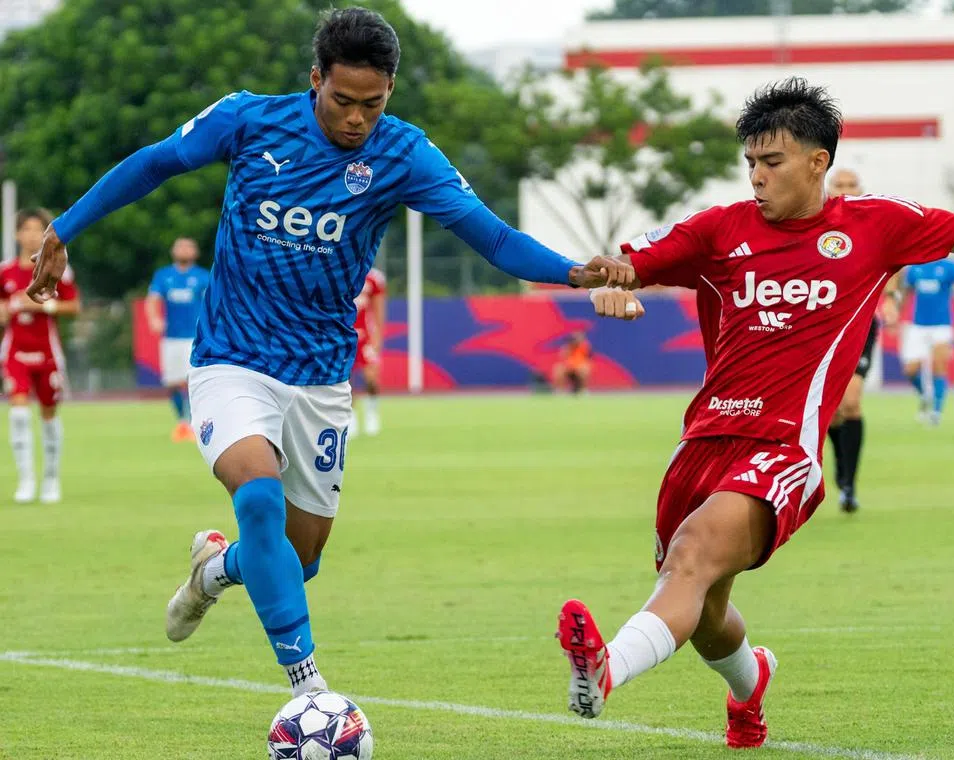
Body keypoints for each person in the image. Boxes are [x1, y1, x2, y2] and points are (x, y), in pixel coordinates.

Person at [29, 7, 631, 697]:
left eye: (371, 105)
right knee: (257, 501)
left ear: (390, 94)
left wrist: (576, 272)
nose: (356, 120)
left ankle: (214, 572)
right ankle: (311, 696)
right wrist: (64, 228)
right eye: (342, 101)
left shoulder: (403, 154)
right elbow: (157, 162)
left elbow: (493, 239)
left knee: (295, 561)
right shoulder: (249, 121)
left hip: (318, 379)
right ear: (315, 79)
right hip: (232, 359)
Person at [560, 76, 954, 748]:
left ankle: (603, 674)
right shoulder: (718, 230)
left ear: (818, 162)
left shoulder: (875, 224)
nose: (756, 177)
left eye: (771, 163)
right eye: (749, 163)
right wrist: (610, 285)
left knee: (692, 556)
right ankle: (752, 687)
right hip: (703, 441)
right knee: (705, 606)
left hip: (784, 448)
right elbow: (628, 264)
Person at [822, 168, 901, 512]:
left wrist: (892, 302)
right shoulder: (813, 221)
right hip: (820, 327)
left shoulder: (874, 224)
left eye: (850, 184)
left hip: (861, 325)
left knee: (851, 402)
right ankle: (840, 469)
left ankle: (849, 485)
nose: (845, 189)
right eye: (839, 184)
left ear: (861, 189)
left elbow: (895, 266)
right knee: (832, 411)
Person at [1, 208, 81, 504]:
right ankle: (25, 481)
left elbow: (74, 307)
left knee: (48, 416)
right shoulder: (5, 271)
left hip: (47, 352)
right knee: (19, 413)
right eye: (27, 229)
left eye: (38, 229)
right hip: (15, 352)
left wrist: (41, 306)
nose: (32, 235)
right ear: (17, 234)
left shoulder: (56, 267)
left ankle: (50, 479)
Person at [146, 237, 210, 442]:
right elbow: (152, 299)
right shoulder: (164, 275)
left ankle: (192, 422)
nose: (183, 249)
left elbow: (212, 302)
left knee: (191, 380)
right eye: (180, 246)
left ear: (195, 251)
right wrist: (154, 319)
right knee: (172, 382)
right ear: (173, 251)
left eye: (188, 246)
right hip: (171, 337)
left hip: (194, 337)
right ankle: (181, 422)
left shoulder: (202, 276)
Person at [900, 257, 954, 425]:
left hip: (942, 326)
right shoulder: (914, 267)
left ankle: (936, 412)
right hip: (918, 326)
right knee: (910, 370)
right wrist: (897, 314)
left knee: (939, 366)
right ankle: (925, 395)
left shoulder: (951, 267)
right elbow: (906, 293)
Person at [349, 266, 386, 437]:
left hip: (366, 336)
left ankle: (372, 413)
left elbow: (378, 311)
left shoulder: (374, 278)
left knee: (371, 378)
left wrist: (377, 338)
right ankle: (351, 418)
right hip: (346, 336)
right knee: (346, 383)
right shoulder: (341, 272)